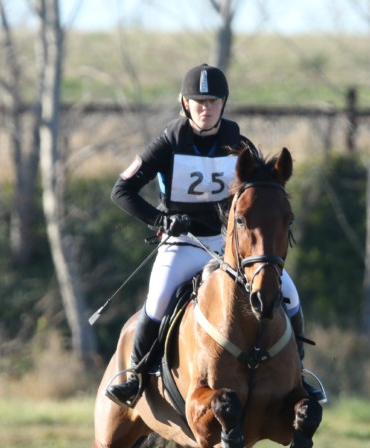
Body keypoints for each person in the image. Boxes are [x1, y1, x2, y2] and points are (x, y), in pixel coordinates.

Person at [105, 63, 323, 407]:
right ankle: (135, 375)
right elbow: (122, 190)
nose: (206, 108)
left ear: (224, 103)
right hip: (182, 242)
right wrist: (160, 220)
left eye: (214, 101)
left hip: (229, 246)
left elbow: (261, 193)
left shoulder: (238, 144)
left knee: (290, 295)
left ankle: (299, 374)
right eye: (199, 101)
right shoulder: (166, 143)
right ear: (184, 103)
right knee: (159, 298)